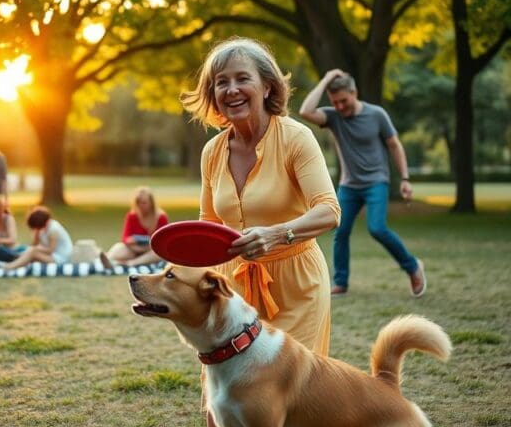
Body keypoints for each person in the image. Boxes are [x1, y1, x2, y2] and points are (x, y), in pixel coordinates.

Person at [181, 37, 341, 355]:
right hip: (233, 289)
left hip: (297, 284)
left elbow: (329, 210)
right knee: (231, 391)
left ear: (267, 87)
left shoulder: (296, 138)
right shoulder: (212, 151)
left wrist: (276, 234)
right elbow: (209, 223)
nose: (231, 89)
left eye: (243, 78)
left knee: (292, 390)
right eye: (221, 82)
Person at [299, 69, 426, 297]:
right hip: (349, 185)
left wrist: (405, 178)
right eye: (335, 102)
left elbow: (394, 145)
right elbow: (305, 111)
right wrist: (326, 80)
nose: (339, 107)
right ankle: (341, 282)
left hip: (376, 181)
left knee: (377, 228)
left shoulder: (377, 115)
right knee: (340, 230)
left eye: (343, 100)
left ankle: (413, 267)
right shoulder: (334, 117)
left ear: (354, 92)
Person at [102, 186, 168, 267]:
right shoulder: (132, 215)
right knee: (119, 247)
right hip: (133, 248)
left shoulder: (160, 217)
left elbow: (163, 241)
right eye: (138, 202)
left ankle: (132, 263)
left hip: (151, 250)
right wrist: (131, 242)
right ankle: (108, 260)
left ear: (151, 203)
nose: (140, 205)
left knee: (159, 253)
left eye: (144, 203)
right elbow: (125, 238)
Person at [0, 206, 73, 270]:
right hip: (50, 255)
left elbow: (50, 250)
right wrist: (36, 236)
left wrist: (36, 249)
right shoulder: (41, 229)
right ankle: (11, 262)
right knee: (28, 251)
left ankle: (9, 267)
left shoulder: (53, 229)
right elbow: (34, 245)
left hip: (60, 257)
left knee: (32, 253)